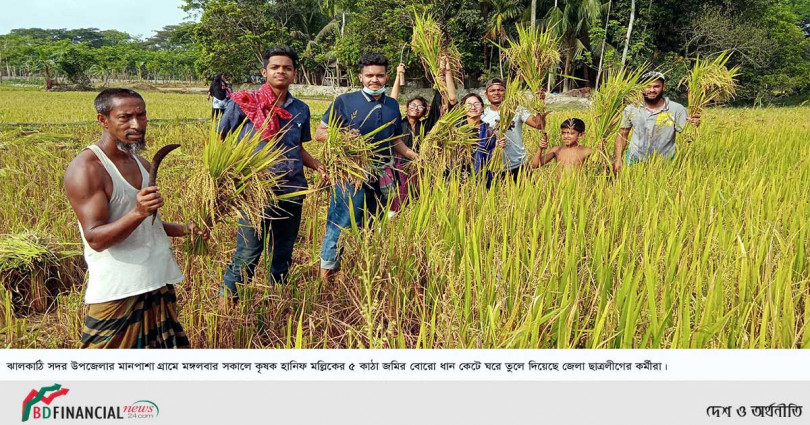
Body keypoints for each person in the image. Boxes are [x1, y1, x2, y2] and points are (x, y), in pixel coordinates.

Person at [63, 88, 208, 349]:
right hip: (119, 290)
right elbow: (95, 238)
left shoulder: (139, 162)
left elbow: (143, 227)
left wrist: (184, 229)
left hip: (156, 281)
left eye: (141, 116)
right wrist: (138, 211)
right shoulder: (88, 168)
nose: (136, 124)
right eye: (125, 117)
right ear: (103, 120)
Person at [218, 46, 326, 303]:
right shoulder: (243, 103)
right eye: (275, 67)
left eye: (287, 68)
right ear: (264, 71)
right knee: (248, 253)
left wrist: (319, 166)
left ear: (294, 73)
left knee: (283, 252)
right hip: (255, 191)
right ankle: (226, 305)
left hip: (292, 189)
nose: (281, 71)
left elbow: (297, 147)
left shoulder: (301, 109)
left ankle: (278, 301)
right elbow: (221, 141)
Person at [315, 52, 419, 284]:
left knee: (373, 225)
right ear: (360, 77)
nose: (375, 80)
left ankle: (365, 269)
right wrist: (343, 136)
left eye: (380, 76)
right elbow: (319, 134)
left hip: (381, 176)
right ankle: (326, 279)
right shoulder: (345, 101)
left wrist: (415, 156)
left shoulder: (392, 105)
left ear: (387, 77)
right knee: (339, 224)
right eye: (369, 75)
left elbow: (396, 142)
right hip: (350, 175)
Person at [388, 58, 458, 211]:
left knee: (421, 202)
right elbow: (392, 102)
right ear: (406, 108)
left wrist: (443, 76)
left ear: (424, 112)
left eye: (420, 107)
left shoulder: (427, 125)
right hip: (400, 169)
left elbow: (442, 101)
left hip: (423, 168)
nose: (416, 108)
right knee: (398, 202)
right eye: (412, 105)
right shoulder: (399, 123)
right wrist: (398, 76)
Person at [613, 71, 701, 173]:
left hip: (665, 162)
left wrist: (695, 125)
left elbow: (687, 136)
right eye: (648, 86)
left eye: (656, 86)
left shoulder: (676, 109)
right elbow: (622, 134)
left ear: (664, 87)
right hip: (634, 159)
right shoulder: (631, 108)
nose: (651, 90)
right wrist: (618, 159)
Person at [480, 77, 548, 182]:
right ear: (486, 94)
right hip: (493, 167)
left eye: (500, 90)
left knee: (528, 197)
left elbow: (538, 125)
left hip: (519, 165)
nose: (496, 93)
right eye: (492, 90)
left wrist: (540, 103)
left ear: (506, 92)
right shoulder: (482, 115)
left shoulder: (517, 109)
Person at [458, 92, 504, 187]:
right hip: (458, 177)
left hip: (481, 179)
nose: (473, 107)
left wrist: (497, 148)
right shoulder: (455, 130)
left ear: (482, 108)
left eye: (477, 104)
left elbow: (491, 160)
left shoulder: (489, 132)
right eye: (469, 105)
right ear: (463, 109)